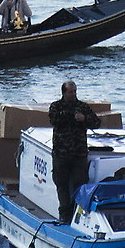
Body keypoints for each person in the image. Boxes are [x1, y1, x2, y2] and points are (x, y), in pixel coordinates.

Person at [47, 80, 103, 222]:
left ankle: (77, 213)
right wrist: (70, 115)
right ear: (64, 93)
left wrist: (84, 119)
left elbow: (96, 123)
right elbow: (53, 120)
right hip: (61, 153)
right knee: (62, 184)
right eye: (70, 92)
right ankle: (64, 214)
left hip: (79, 153)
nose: (72, 94)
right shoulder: (56, 106)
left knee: (80, 183)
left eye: (74, 91)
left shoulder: (83, 107)